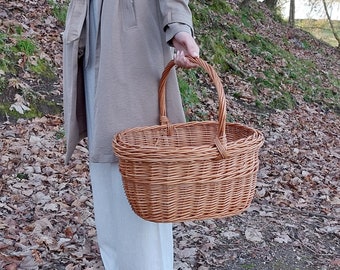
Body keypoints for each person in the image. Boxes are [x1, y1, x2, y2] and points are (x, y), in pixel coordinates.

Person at [62, 0, 199, 269]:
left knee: (140, 170)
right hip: (95, 33)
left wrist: (180, 27)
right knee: (108, 177)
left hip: (132, 40)